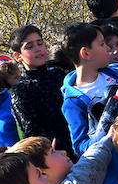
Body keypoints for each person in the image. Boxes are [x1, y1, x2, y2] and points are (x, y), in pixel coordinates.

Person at [60, 22, 118, 155]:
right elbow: (80, 146)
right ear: (86, 53)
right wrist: (115, 106)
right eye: (102, 44)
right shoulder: (73, 103)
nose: (108, 49)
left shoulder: (115, 71)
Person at [8, 25, 75, 155]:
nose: (38, 49)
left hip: (78, 142)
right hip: (53, 155)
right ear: (18, 56)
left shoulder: (58, 74)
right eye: (30, 46)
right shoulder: (21, 90)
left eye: (40, 43)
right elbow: (32, 132)